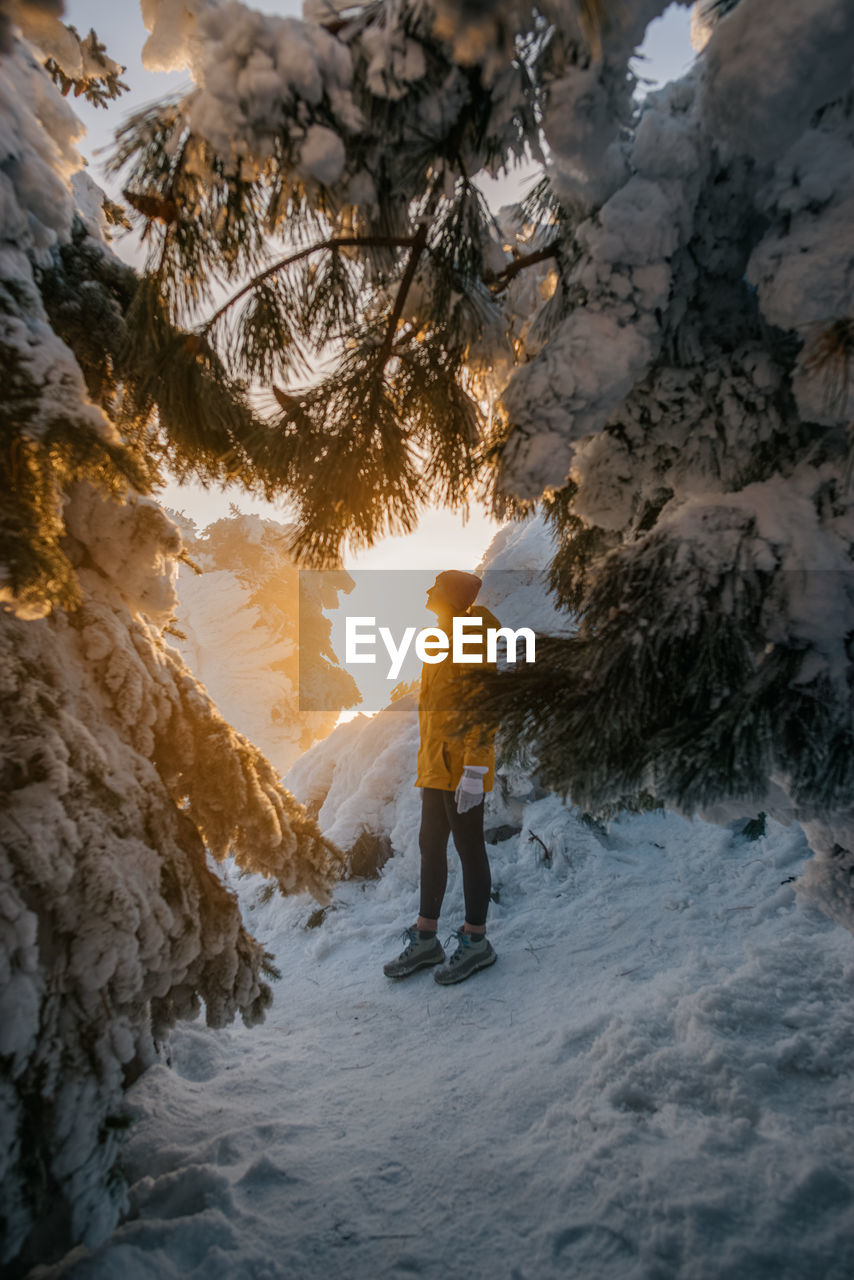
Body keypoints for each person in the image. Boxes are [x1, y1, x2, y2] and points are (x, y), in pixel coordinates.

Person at [383, 569, 501, 985]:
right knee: (430, 846)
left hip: (462, 770)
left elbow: (482, 708)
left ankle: (476, 942)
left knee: (470, 850)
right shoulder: (440, 637)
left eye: (437, 587)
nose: (429, 591)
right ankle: (427, 936)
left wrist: (475, 768)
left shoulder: (470, 636)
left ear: (450, 596)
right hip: (435, 767)